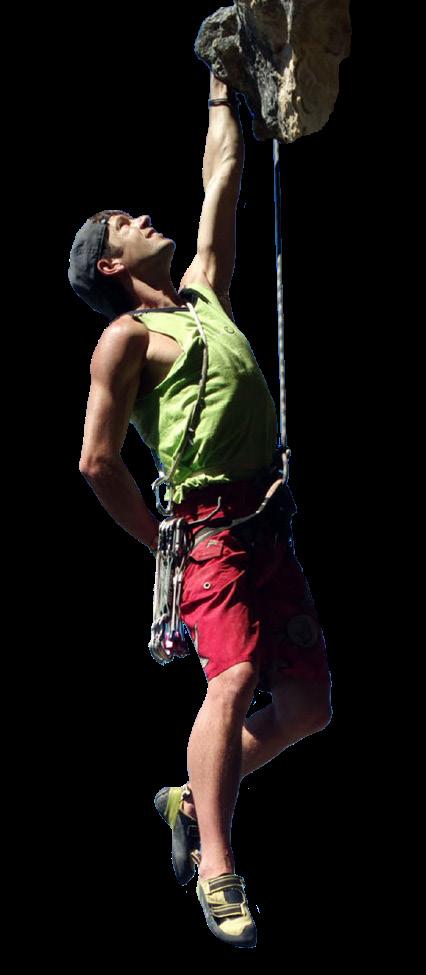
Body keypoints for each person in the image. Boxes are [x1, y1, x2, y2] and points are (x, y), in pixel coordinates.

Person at [68, 71, 333, 948]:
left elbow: (222, 177)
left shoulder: (203, 293)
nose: (145, 218)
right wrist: (161, 545)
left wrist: (222, 88)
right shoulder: (127, 339)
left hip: (268, 523)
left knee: (308, 705)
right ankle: (218, 866)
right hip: (210, 530)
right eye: (124, 222)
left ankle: (190, 796)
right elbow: (97, 460)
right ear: (110, 265)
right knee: (235, 675)